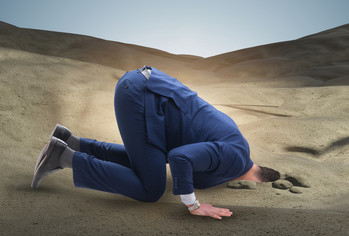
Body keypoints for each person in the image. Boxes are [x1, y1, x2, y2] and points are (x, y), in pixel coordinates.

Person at [31, 66, 280, 220]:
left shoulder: (237, 144)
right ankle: (62, 156)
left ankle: (72, 142)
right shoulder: (233, 158)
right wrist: (192, 205)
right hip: (141, 96)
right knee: (151, 188)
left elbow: (184, 159)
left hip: (147, 87)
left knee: (150, 161)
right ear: (257, 179)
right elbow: (180, 158)